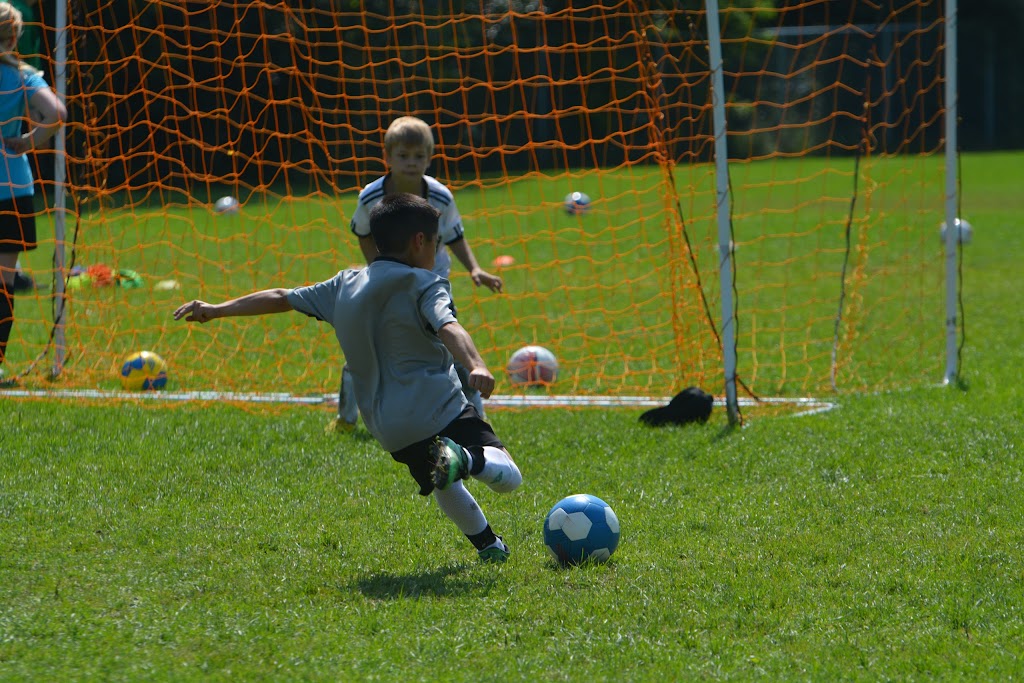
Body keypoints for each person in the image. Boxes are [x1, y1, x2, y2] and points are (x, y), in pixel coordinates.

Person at [173, 194, 523, 563]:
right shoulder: (426, 283)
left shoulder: (343, 284)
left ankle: (488, 546)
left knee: (442, 476)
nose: (435, 250)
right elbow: (449, 326)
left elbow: (280, 296)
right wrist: (477, 364)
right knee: (508, 475)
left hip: (389, 428)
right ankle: (469, 460)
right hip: (438, 407)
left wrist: (216, 310)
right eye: (435, 242)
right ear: (421, 241)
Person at [330, 115, 503, 432]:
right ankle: (346, 417)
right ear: (387, 158)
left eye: (419, 156)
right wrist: (377, 268)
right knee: (367, 345)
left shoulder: (440, 196)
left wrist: (476, 269)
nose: (411, 163)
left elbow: (454, 236)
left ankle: (475, 414)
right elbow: (362, 232)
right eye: (403, 156)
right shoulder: (370, 196)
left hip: (431, 284)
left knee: (448, 345)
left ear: (429, 158)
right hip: (387, 285)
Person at [0, 1, 65, 387]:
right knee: (4, 281)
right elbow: (56, 114)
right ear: (15, 36)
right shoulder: (23, 75)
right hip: (12, 186)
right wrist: (27, 141)